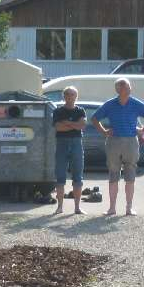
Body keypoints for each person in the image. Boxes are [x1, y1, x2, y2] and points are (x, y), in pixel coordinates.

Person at [92, 78, 144, 216]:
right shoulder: (110, 104)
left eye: (128, 87)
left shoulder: (135, 103)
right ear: (118, 90)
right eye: (124, 87)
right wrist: (104, 131)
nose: (128, 89)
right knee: (113, 174)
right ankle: (112, 208)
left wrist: (143, 130)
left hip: (131, 142)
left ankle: (129, 208)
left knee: (130, 174)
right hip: (114, 141)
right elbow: (94, 118)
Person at [52, 86, 87, 215]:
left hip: (76, 143)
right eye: (68, 94)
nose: (70, 97)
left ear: (76, 97)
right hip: (62, 143)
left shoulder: (80, 110)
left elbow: (82, 126)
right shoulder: (58, 111)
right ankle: (60, 207)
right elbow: (58, 127)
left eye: (72, 95)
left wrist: (67, 123)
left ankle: (77, 208)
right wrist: (74, 125)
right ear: (64, 96)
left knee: (78, 176)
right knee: (60, 176)